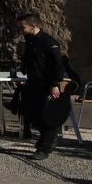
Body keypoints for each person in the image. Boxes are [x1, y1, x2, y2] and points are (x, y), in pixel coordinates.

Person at [16, 13, 68, 160]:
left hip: (46, 84)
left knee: (46, 115)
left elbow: (58, 65)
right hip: (33, 82)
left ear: (33, 26)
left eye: (23, 27)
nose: (21, 30)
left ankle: (44, 148)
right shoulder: (30, 41)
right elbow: (29, 60)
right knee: (28, 110)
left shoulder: (48, 42)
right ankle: (48, 138)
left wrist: (55, 84)